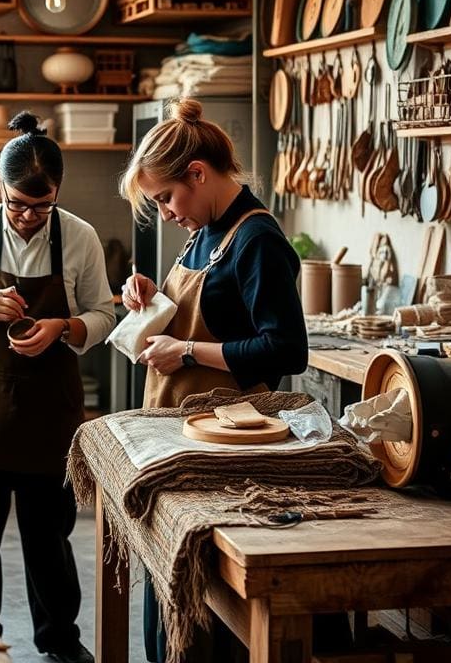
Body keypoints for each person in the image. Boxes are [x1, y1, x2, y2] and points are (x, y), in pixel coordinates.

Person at [119, 97, 311, 662]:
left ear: (197, 174)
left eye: (166, 198)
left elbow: (285, 349)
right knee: (169, 588)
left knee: (211, 615)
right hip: (183, 434)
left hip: (229, 443)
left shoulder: (257, 241)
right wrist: (152, 300)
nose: (167, 212)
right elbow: (212, 310)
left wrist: (187, 351)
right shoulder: (204, 232)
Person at [0, 111, 116, 663]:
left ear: (58, 192)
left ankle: (59, 643)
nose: (29, 216)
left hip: (49, 415)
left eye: (42, 204)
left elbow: (104, 314)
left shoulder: (78, 238)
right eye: (17, 203)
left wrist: (67, 328)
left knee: (49, 543)